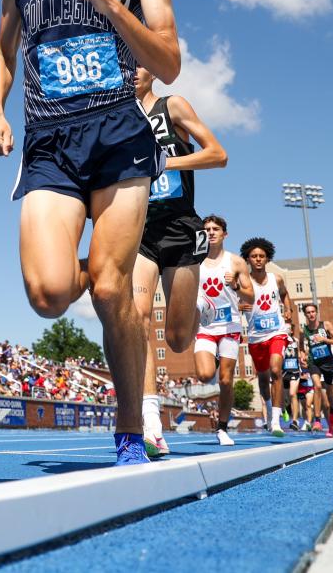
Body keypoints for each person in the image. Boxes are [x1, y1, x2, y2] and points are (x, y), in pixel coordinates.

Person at [0, 0, 182, 465]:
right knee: (46, 293)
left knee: (108, 286)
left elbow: (170, 62)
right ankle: (109, 290)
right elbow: (4, 51)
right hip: (49, 140)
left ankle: (129, 425)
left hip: (119, 135)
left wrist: (114, 8)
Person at [131, 69, 227, 457]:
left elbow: (218, 155)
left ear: (152, 69)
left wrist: (164, 164)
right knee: (136, 318)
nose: (131, 71)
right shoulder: (117, 114)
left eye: (138, 63)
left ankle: (196, 307)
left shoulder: (173, 106)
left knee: (178, 339)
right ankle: (151, 423)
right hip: (138, 230)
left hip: (180, 229)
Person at [192, 215, 252, 446]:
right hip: (205, 326)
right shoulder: (194, 261)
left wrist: (235, 285)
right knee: (206, 375)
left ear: (225, 234)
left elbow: (251, 296)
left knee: (226, 381)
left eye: (216, 229)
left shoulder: (235, 262)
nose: (211, 232)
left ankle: (222, 428)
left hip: (229, 326)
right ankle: (212, 358)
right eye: (206, 229)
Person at [241, 237, 295, 437]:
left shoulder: (276, 279)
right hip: (256, 337)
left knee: (275, 370)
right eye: (254, 256)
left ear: (267, 258)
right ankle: (269, 408)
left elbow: (284, 294)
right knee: (263, 381)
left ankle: (276, 421)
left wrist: (288, 309)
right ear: (247, 259)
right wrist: (239, 306)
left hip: (276, 332)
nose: (257, 259)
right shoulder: (243, 282)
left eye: (261, 256)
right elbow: (232, 302)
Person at [301, 302, 333, 436]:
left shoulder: (326, 325)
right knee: (317, 386)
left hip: (328, 363)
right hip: (314, 362)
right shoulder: (304, 330)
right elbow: (301, 347)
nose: (311, 314)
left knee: (331, 399)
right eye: (308, 312)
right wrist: (302, 356)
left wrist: (324, 339)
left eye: (313, 312)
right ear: (305, 314)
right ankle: (317, 420)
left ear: (316, 312)